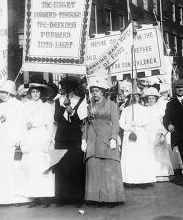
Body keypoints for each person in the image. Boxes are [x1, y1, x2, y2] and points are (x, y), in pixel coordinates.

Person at [82, 77, 125, 207]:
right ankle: (95, 198)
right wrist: (83, 140)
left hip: (106, 138)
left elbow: (116, 123)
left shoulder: (111, 104)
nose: (94, 93)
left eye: (97, 91)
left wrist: (113, 138)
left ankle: (111, 198)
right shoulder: (89, 106)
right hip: (92, 139)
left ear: (102, 92)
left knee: (108, 167)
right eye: (92, 91)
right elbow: (86, 124)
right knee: (94, 167)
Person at [0, 80, 30, 206]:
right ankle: (4, 198)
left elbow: (22, 124)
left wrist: (19, 140)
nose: (0, 95)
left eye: (2, 92)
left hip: (14, 143)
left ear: (9, 93)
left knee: (16, 170)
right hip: (1, 142)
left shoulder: (20, 106)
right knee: (3, 170)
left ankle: (18, 198)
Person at [19, 84, 56, 208]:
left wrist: (48, 140)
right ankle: (34, 196)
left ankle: (45, 197)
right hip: (30, 136)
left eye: (37, 92)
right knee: (31, 167)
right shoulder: (25, 106)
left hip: (41, 134)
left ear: (41, 94)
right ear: (30, 93)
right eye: (33, 92)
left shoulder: (46, 107)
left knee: (43, 166)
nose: (35, 94)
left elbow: (50, 125)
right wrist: (23, 140)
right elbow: (22, 123)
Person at [53, 76, 86, 207]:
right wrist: (62, 106)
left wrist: (71, 111)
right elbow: (55, 118)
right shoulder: (58, 101)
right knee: (61, 167)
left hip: (74, 137)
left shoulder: (80, 100)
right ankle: (62, 197)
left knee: (75, 167)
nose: (68, 90)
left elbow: (81, 119)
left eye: (70, 88)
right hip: (61, 137)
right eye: (66, 88)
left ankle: (77, 198)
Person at [120, 87, 157, 187]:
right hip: (129, 135)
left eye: (137, 96)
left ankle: (143, 180)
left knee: (141, 157)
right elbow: (121, 123)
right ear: (129, 97)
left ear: (139, 97)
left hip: (140, 135)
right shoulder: (126, 110)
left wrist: (137, 123)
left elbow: (147, 121)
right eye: (133, 96)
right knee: (131, 157)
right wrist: (128, 128)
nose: (135, 98)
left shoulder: (143, 109)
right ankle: (130, 180)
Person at [143, 87, 174, 181]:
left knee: (161, 152)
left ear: (156, 99)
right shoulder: (145, 109)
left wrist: (163, 134)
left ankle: (164, 174)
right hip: (148, 133)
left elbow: (164, 122)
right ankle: (152, 173)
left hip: (158, 133)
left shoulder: (160, 109)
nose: (151, 100)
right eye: (149, 98)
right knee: (150, 152)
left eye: (152, 98)